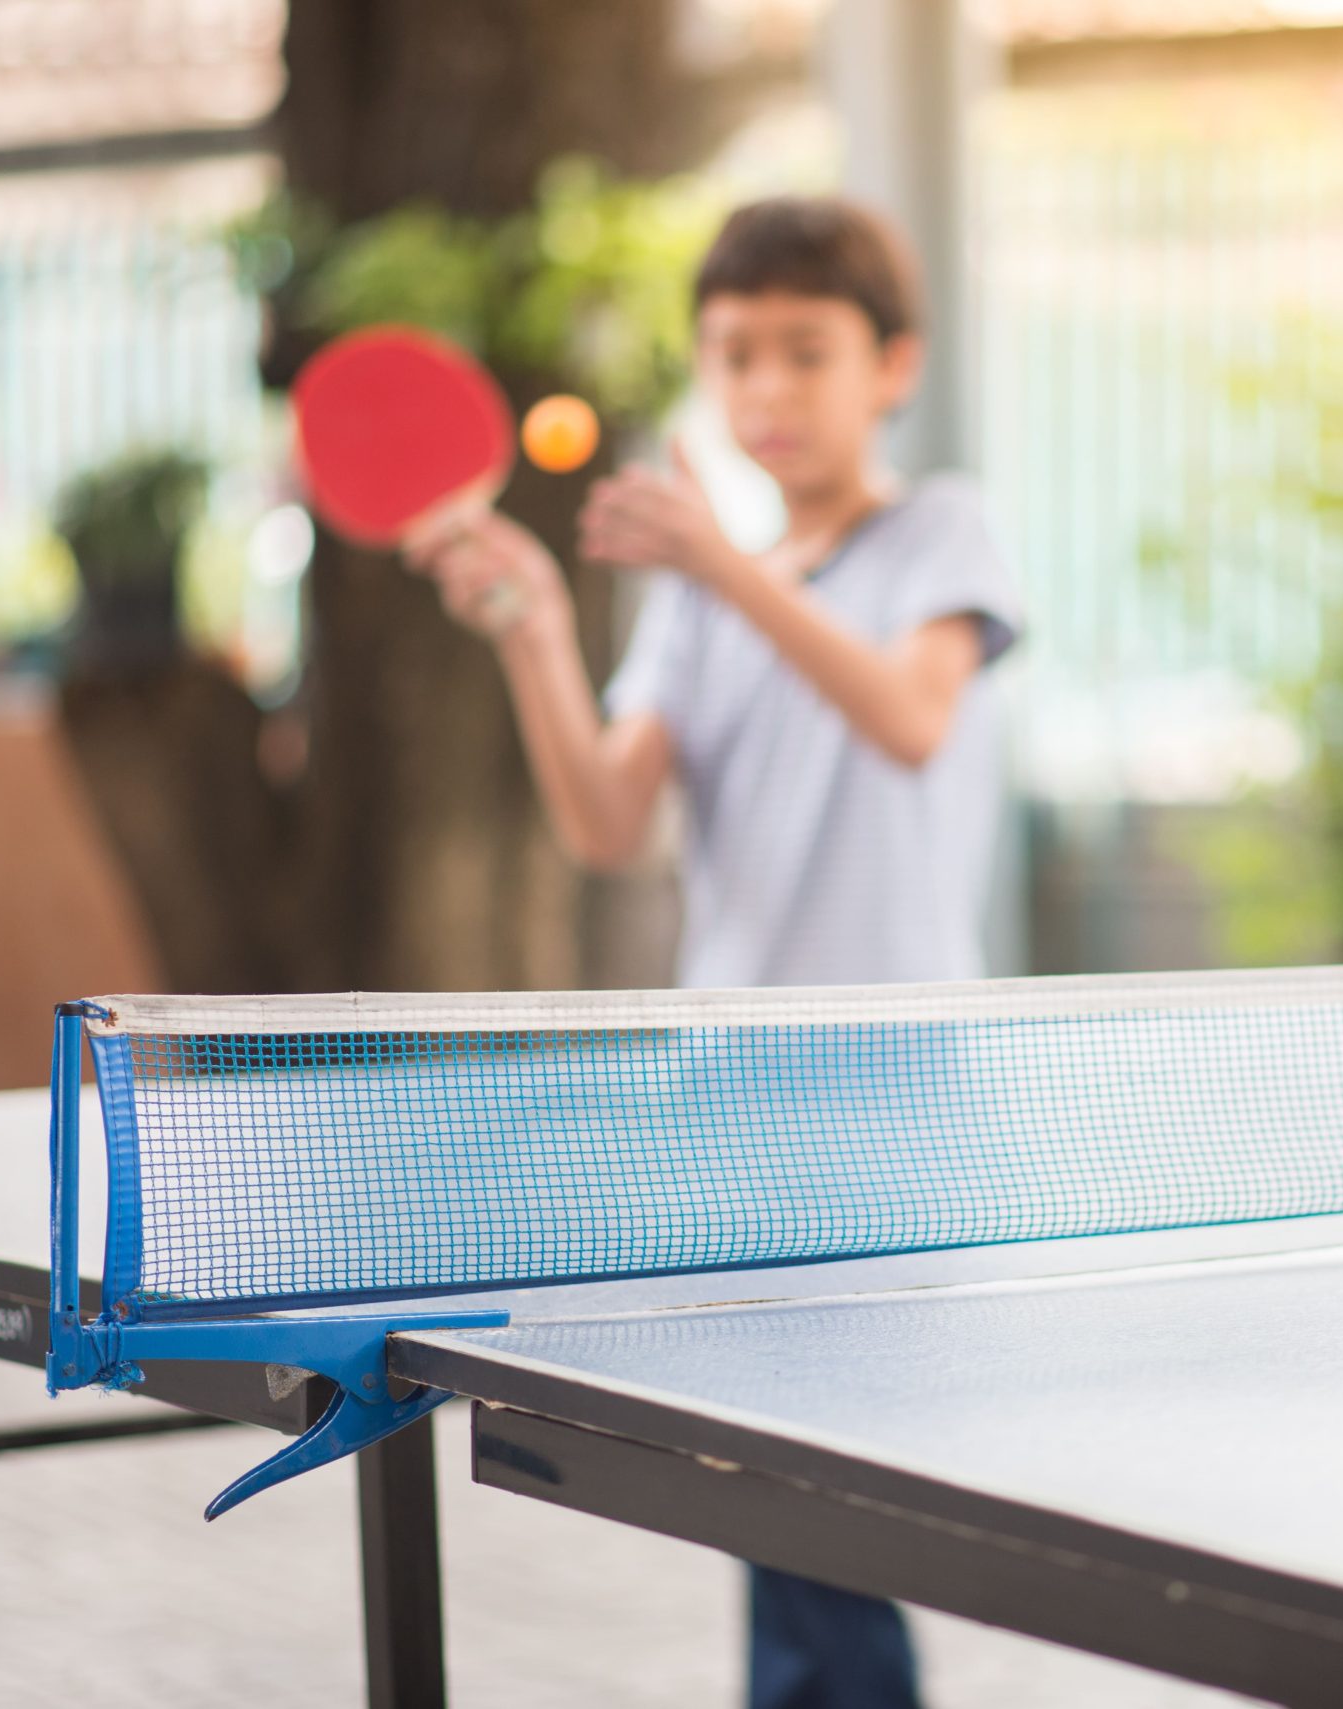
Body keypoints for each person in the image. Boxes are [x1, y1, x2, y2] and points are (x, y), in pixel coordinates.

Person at [404, 196, 1023, 1709]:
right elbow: (609, 816)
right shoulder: (693, 594)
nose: (764, 390)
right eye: (735, 355)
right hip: (729, 1087)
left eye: (804, 353)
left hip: (888, 1083)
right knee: (773, 1485)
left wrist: (719, 565)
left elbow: (908, 714)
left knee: (841, 1483)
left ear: (893, 365)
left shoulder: (941, 530)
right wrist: (538, 629)